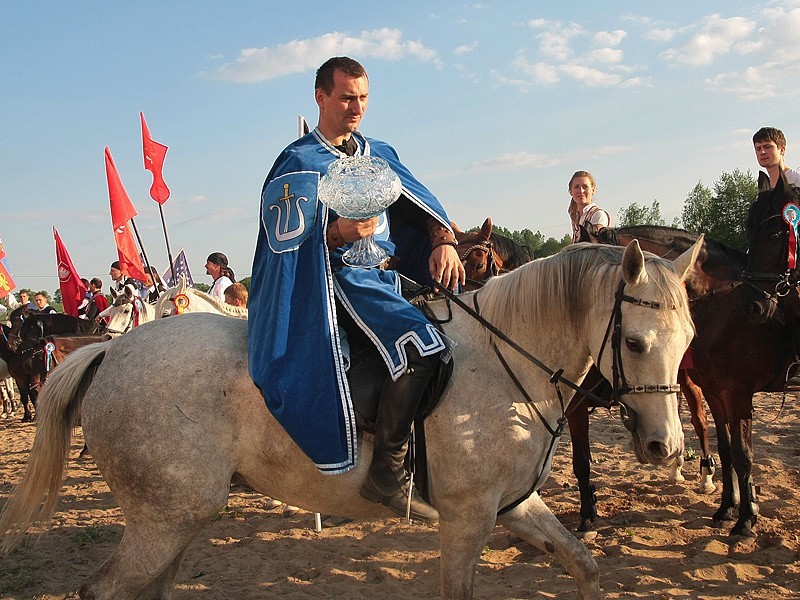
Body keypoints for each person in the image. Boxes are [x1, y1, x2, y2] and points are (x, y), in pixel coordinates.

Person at [248, 56, 465, 523]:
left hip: (388, 274)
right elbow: (283, 243)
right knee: (422, 349)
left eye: (363, 98)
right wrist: (336, 234)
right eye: (347, 97)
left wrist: (443, 239)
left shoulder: (378, 152)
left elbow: (419, 204)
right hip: (337, 281)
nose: (356, 107)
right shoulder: (300, 163)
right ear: (321, 96)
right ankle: (387, 475)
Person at [568, 170, 611, 243]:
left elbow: (596, 246)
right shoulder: (577, 218)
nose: (581, 191)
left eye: (585, 187)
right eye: (576, 187)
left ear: (593, 190)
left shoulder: (598, 214)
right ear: (570, 192)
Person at [753, 127, 800, 191]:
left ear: (782, 150)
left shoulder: (797, 180)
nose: (762, 152)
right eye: (758, 149)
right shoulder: (764, 187)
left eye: (767, 147)